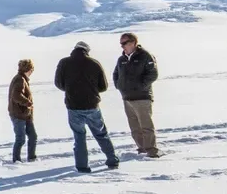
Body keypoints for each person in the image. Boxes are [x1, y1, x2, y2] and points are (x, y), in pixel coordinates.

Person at [54, 41, 119, 173]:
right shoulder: (94, 63)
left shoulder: (64, 63)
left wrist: (70, 90)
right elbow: (104, 86)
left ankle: (82, 166)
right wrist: (91, 91)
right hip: (92, 105)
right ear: (87, 51)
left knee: (79, 136)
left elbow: (59, 83)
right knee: (101, 134)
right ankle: (112, 160)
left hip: (73, 106)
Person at [113, 32, 160, 157]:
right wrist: (120, 86)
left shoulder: (145, 56)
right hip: (127, 98)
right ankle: (141, 148)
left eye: (125, 43)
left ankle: (151, 151)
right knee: (134, 127)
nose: (122, 46)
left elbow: (152, 74)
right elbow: (115, 74)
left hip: (142, 97)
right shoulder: (121, 59)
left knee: (146, 126)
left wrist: (139, 87)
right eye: (121, 43)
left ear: (133, 42)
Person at [8, 59, 37, 162]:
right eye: (32, 69)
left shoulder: (23, 79)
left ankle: (32, 158)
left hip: (26, 114)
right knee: (20, 139)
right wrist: (27, 102)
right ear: (29, 69)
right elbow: (16, 95)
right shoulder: (20, 79)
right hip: (18, 114)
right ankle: (16, 161)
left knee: (33, 136)